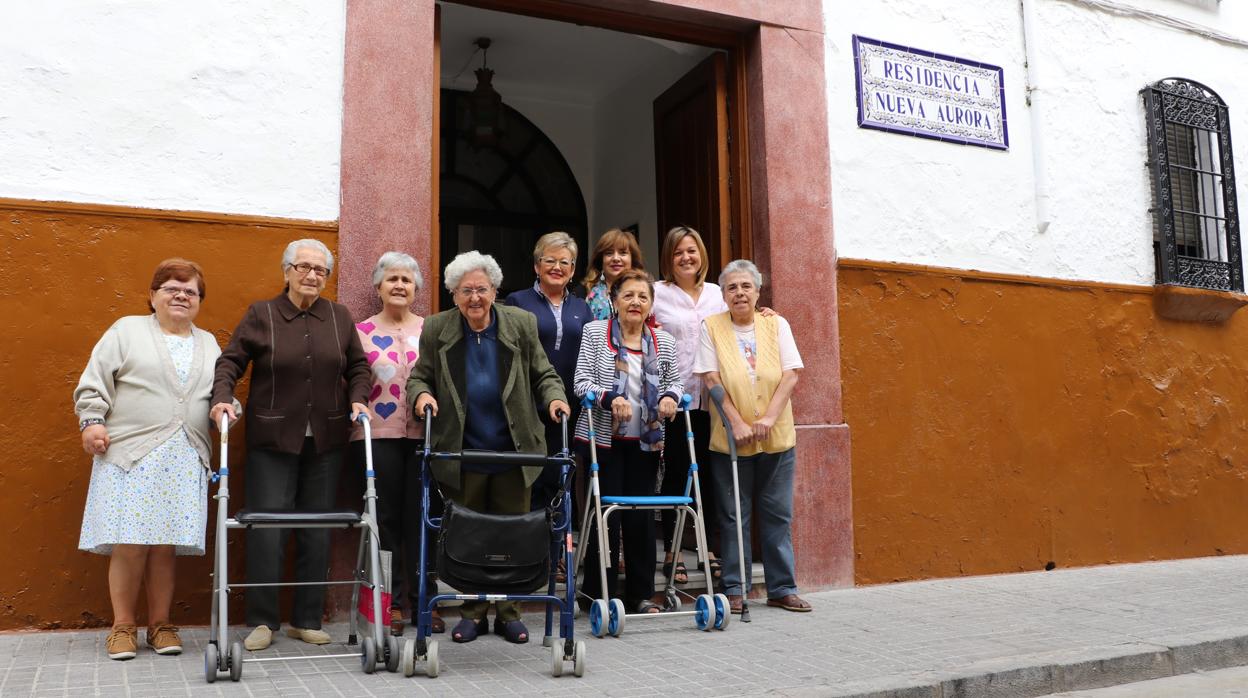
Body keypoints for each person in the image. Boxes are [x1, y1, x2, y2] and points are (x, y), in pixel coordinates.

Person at [210, 238, 372, 651]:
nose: (312, 275)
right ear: (286, 271)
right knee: (268, 528)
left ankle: (305, 618)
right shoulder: (262, 314)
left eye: (321, 270)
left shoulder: (338, 316)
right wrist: (222, 397)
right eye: (304, 267)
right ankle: (263, 621)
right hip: (273, 438)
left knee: (318, 530)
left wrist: (358, 397)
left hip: (327, 439)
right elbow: (230, 361)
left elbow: (358, 366)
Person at [406, 251, 570, 645]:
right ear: (453, 295)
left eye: (481, 289)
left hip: (515, 450)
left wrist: (554, 398)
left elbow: (543, 373)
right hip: (464, 452)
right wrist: (423, 396)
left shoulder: (521, 323)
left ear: (495, 290)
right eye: (466, 291)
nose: (475, 298)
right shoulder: (436, 328)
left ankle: (510, 613)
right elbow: (419, 377)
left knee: (513, 536)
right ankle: (473, 614)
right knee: (471, 536)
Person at [75, 258, 230, 660]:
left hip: (184, 455)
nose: (181, 295)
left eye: (190, 290)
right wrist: (91, 421)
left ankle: (161, 625)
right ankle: (122, 627)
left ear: (200, 300)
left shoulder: (208, 342)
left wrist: (226, 409)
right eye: (171, 288)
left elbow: (218, 393)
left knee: (165, 546)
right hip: (130, 453)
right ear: (152, 296)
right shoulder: (126, 330)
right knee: (130, 543)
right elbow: (95, 380)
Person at [694, 259, 811, 614]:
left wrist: (771, 417)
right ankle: (735, 588)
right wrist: (737, 423)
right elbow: (711, 378)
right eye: (732, 287)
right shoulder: (710, 326)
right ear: (724, 295)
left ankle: (781, 587)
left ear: (758, 292)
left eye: (746, 286)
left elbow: (791, 373)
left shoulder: (776, 324)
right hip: (728, 440)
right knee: (733, 515)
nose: (740, 293)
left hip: (777, 439)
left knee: (777, 514)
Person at [573, 269, 682, 615]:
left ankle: (640, 594)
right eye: (629, 295)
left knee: (641, 519)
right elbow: (581, 382)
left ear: (651, 305)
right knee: (606, 516)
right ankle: (596, 593)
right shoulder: (594, 332)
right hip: (601, 442)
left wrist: (669, 398)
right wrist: (607, 398)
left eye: (643, 297)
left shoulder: (662, 341)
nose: (636, 302)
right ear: (614, 300)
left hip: (645, 444)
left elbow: (675, 382)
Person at [350, 251, 443, 635]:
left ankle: (426, 599)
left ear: (417, 288)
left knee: (422, 520)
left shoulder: (432, 329)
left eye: (407, 280)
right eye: (392, 279)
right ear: (378, 286)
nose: (400, 286)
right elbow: (354, 379)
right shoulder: (360, 331)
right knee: (385, 521)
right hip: (378, 437)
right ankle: (389, 603)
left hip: (426, 435)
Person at [651, 226, 728, 586]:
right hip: (671, 399)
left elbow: (741, 322)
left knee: (710, 476)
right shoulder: (657, 293)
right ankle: (672, 550)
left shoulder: (717, 294)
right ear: (669, 258)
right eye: (679, 252)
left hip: (711, 399)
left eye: (692, 251)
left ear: (702, 255)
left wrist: (766, 314)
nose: (686, 257)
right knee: (675, 475)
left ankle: (708, 548)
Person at [504, 232, 592, 513]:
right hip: (527, 406)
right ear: (536, 266)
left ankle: (555, 551)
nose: (557, 267)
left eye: (564, 262)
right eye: (549, 260)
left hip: (569, 407)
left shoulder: (582, 308)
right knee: (530, 479)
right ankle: (531, 552)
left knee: (559, 479)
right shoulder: (518, 301)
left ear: (573, 270)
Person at [580, 228, 645, 321]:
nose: (616, 258)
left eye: (623, 253)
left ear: (632, 259)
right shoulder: (584, 292)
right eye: (609, 253)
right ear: (601, 260)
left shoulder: (646, 291)